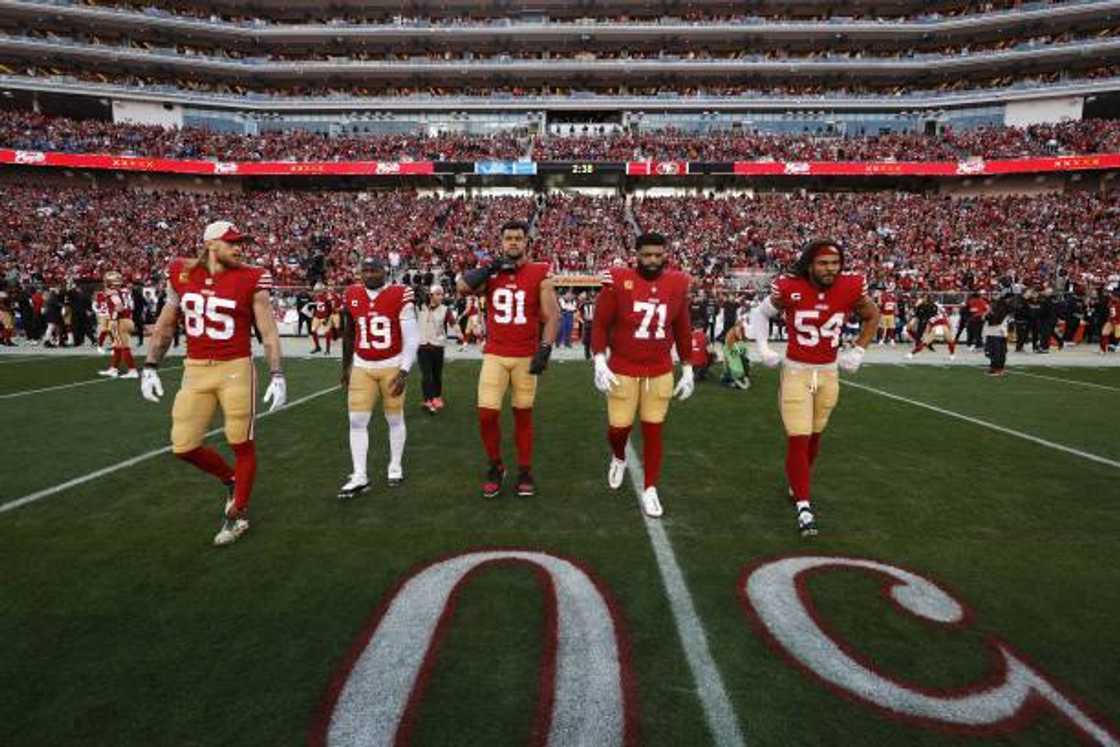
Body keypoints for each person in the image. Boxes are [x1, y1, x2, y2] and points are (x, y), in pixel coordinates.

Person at [140, 220, 286, 547]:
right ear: (211, 245)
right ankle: (230, 479)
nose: (239, 248)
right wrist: (150, 365)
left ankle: (237, 514)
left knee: (241, 442)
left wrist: (277, 373)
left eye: (240, 242)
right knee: (184, 445)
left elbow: (269, 331)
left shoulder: (252, 277)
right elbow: (166, 323)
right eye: (232, 242)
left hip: (235, 367)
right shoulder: (181, 272)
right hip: (195, 368)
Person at [749, 238, 879, 537]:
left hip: (829, 374)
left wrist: (859, 349)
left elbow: (872, 315)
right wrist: (763, 347)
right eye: (823, 263)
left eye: (835, 263)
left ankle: (797, 483)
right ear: (809, 264)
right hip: (797, 372)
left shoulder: (851, 286)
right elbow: (761, 314)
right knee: (799, 437)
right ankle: (804, 506)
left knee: (814, 438)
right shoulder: (789, 286)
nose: (830, 268)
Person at [591, 232, 694, 518]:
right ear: (636, 255)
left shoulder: (677, 283)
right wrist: (599, 359)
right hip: (623, 368)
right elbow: (600, 324)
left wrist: (687, 367)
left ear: (665, 255)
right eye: (647, 255)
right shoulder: (618, 280)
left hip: (660, 369)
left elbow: (683, 329)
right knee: (618, 429)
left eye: (658, 255)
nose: (652, 260)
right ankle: (619, 455)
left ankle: (650, 487)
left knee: (653, 431)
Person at [456, 220, 559, 499]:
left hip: (525, 355)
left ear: (527, 242)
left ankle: (524, 470)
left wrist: (546, 347)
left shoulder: (540, 271)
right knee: (487, 414)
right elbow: (462, 288)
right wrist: (490, 267)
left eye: (518, 238)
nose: (513, 242)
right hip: (496, 354)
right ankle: (496, 466)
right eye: (508, 238)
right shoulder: (490, 274)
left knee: (523, 414)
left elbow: (553, 315)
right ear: (501, 242)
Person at [337, 257, 418, 498]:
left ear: (385, 272)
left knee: (394, 418)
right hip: (362, 365)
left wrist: (404, 372)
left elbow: (412, 338)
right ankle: (359, 474)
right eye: (365, 271)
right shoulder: (351, 293)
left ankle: (395, 465)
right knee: (357, 421)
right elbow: (349, 333)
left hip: (392, 365)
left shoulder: (400, 294)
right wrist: (346, 367)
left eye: (374, 270)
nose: (369, 275)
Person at [417, 285, 457, 414]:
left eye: (442, 294)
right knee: (426, 375)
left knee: (436, 375)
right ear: (431, 295)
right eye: (438, 294)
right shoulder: (419, 308)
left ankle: (437, 396)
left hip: (438, 346)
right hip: (423, 346)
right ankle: (427, 400)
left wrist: (459, 332)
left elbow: (453, 323)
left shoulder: (445, 310)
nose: (441, 296)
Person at [97, 272, 139, 378]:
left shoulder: (114, 293)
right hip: (127, 320)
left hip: (120, 321)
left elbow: (119, 307)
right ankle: (114, 369)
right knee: (117, 346)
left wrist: (114, 317)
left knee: (124, 347)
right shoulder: (124, 292)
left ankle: (132, 370)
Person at [984, 291, 1014, 376]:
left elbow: (995, 319)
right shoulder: (996, 304)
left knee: (997, 351)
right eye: (993, 294)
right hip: (995, 330)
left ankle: (997, 369)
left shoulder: (1002, 305)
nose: (994, 296)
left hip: (998, 330)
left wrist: (987, 315)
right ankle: (995, 368)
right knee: (995, 351)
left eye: (996, 294)